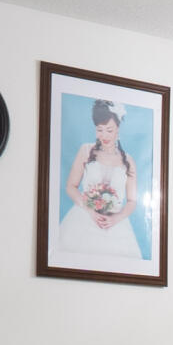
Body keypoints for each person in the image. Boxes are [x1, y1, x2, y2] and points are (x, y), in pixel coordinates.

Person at [55, 99, 145, 267]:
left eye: (109, 130)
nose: (104, 135)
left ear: (118, 128)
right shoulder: (85, 150)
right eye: (99, 130)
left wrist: (116, 218)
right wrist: (89, 210)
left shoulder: (129, 161)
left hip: (116, 224)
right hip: (84, 217)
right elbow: (71, 186)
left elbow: (132, 201)